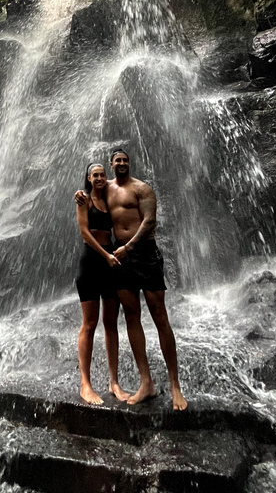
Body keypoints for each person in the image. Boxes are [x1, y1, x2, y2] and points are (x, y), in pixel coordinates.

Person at [76, 150, 187, 409]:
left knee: (160, 316)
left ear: (129, 163)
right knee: (131, 316)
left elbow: (150, 222)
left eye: (125, 160)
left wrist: (130, 247)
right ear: (112, 165)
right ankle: (145, 382)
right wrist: (80, 194)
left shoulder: (142, 189)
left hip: (143, 253)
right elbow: (88, 200)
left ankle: (175, 386)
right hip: (119, 257)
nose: (121, 163)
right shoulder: (105, 189)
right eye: (117, 161)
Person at [75, 163, 131, 405]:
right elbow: (84, 232)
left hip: (110, 263)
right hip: (91, 262)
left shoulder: (110, 198)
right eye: (94, 175)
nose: (99, 178)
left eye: (102, 175)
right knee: (89, 324)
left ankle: (114, 382)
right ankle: (85, 384)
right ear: (88, 178)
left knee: (111, 323)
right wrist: (105, 255)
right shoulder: (83, 200)